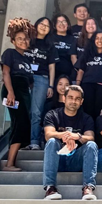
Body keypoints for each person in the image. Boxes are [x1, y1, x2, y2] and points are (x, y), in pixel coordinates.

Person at [42, 85, 98, 200]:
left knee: (92, 145)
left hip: (76, 160)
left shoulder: (86, 118)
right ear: (64, 98)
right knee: (52, 141)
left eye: (77, 99)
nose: (74, 101)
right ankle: (50, 188)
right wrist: (65, 136)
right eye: (71, 97)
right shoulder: (52, 115)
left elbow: (90, 137)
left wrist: (76, 136)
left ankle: (88, 188)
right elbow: (48, 135)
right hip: (58, 159)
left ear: (81, 101)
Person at [1, 18, 35, 171]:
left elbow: (30, 81)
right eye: (20, 39)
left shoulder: (27, 58)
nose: (23, 41)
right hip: (13, 91)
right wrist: (10, 93)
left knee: (23, 123)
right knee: (19, 124)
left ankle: (13, 158)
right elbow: (6, 73)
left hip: (24, 94)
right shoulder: (10, 53)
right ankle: (9, 164)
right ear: (13, 40)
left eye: (25, 39)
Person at [24, 17, 59, 150]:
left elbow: (51, 67)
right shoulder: (27, 41)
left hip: (41, 79)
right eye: (42, 24)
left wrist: (51, 85)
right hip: (24, 77)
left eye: (47, 25)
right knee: (23, 110)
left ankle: (34, 141)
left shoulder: (50, 45)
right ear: (36, 25)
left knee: (36, 112)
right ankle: (22, 140)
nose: (44, 27)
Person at [76, 31, 102, 120]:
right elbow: (81, 70)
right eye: (97, 38)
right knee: (88, 109)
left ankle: (98, 132)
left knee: (100, 110)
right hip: (87, 84)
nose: (99, 40)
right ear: (93, 40)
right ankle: (88, 131)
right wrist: (77, 85)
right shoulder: (87, 54)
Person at [52, 14, 75, 79]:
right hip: (51, 72)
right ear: (54, 25)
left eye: (64, 21)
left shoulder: (73, 39)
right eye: (58, 22)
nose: (61, 24)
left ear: (68, 24)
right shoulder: (50, 38)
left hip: (68, 74)